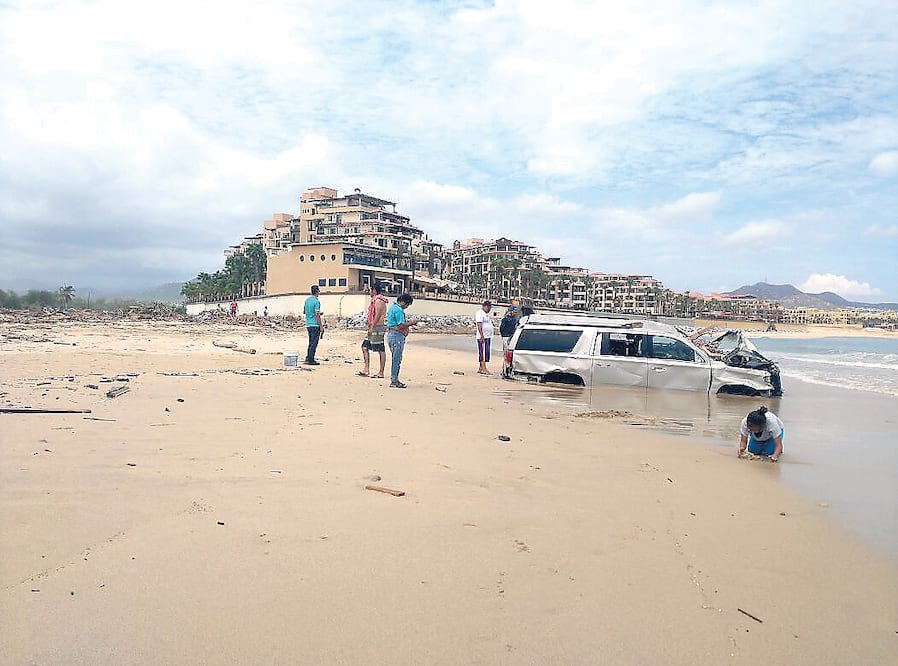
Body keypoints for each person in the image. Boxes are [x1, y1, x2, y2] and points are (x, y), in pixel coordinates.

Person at [385, 293, 417, 388]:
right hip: (396, 336)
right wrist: (411, 323)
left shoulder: (393, 308)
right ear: (403, 302)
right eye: (407, 305)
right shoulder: (398, 310)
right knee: (396, 359)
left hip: (392, 335)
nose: (406, 307)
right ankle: (394, 380)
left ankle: (394, 379)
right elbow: (401, 325)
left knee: (396, 358)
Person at [359, 283, 388, 378]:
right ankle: (366, 369)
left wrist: (372, 326)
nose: (369, 291)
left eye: (370, 289)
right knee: (365, 346)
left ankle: (381, 372)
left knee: (380, 349)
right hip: (373, 326)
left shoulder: (379, 300)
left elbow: (378, 314)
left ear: (374, 290)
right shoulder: (374, 300)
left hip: (378, 327)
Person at [303, 285, 323, 365]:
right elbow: (317, 315)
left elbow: (304, 311)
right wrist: (321, 326)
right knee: (314, 343)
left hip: (308, 324)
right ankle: (311, 359)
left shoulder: (307, 300)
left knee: (310, 342)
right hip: (315, 324)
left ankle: (308, 357)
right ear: (317, 291)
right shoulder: (316, 301)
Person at [475, 300, 494, 375]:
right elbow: (479, 325)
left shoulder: (485, 314)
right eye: (489, 308)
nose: (489, 309)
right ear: (485, 306)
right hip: (483, 336)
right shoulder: (479, 313)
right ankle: (484, 368)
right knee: (483, 352)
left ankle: (480, 368)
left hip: (487, 336)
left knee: (486, 352)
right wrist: (481, 336)